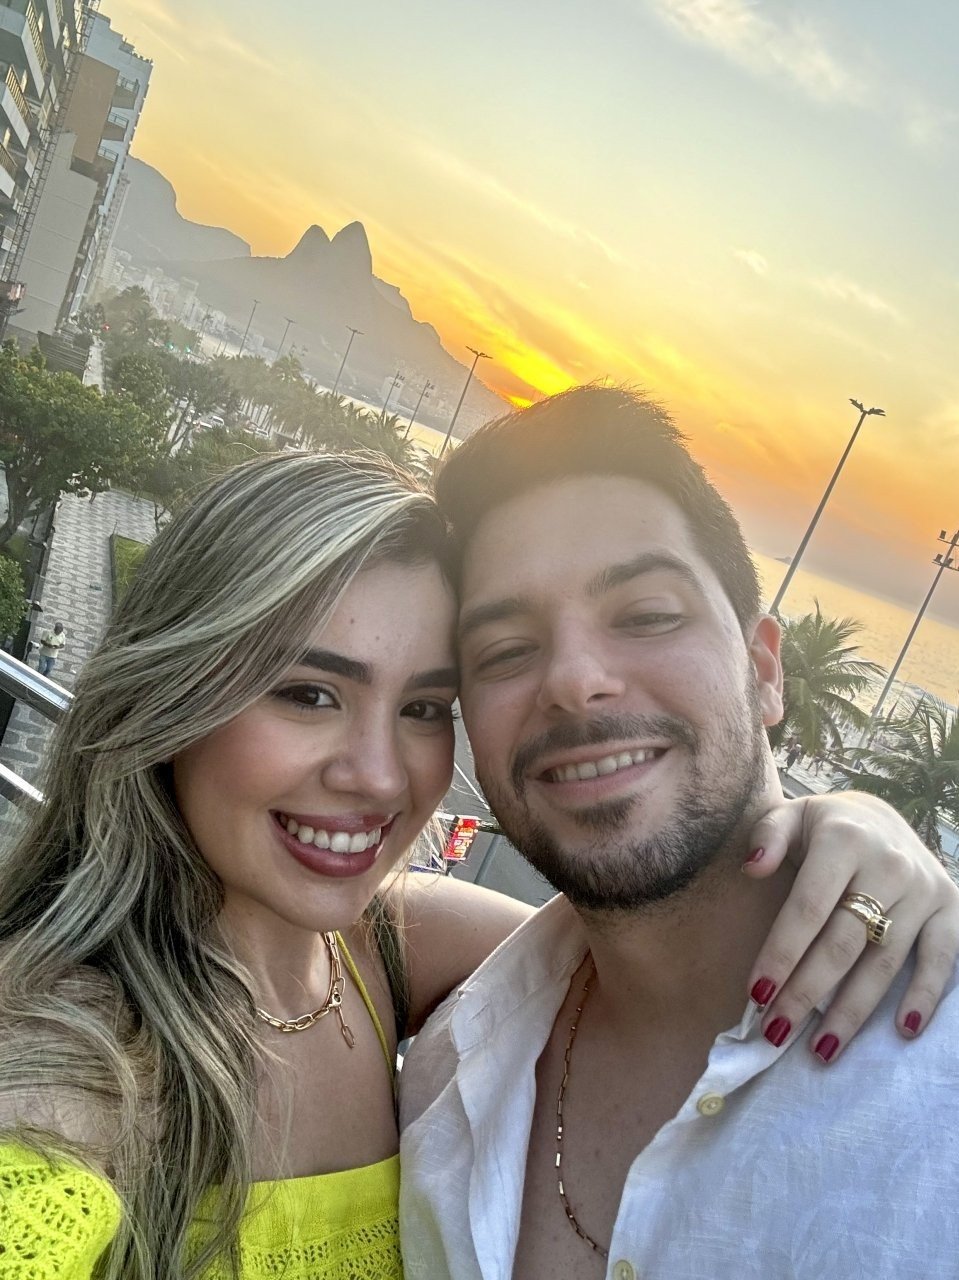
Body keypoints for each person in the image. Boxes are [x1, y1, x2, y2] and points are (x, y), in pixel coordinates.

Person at [0, 450, 954, 1279]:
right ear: (172, 693)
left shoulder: (388, 950)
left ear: (763, 666)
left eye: (423, 708)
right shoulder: (70, 1061)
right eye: (308, 693)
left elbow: (638, 937)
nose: (380, 775)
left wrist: (846, 826)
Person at [399, 386, 959, 1279]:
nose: (573, 680)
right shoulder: (444, 1080)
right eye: (504, 652)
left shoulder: (936, 1087)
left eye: (647, 616)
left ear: (764, 670)